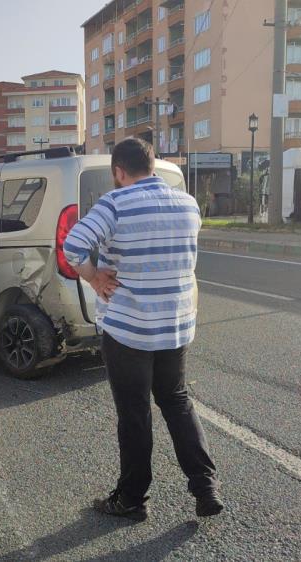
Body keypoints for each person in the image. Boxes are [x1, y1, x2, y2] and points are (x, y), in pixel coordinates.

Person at [63, 138, 223, 522]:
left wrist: (94, 276)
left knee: (135, 413)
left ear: (119, 171)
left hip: (129, 328)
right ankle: (205, 487)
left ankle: (132, 499)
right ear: (152, 166)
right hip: (176, 325)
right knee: (177, 400)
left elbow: (73, 245)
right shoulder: (188, 204)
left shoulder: (115, 204)